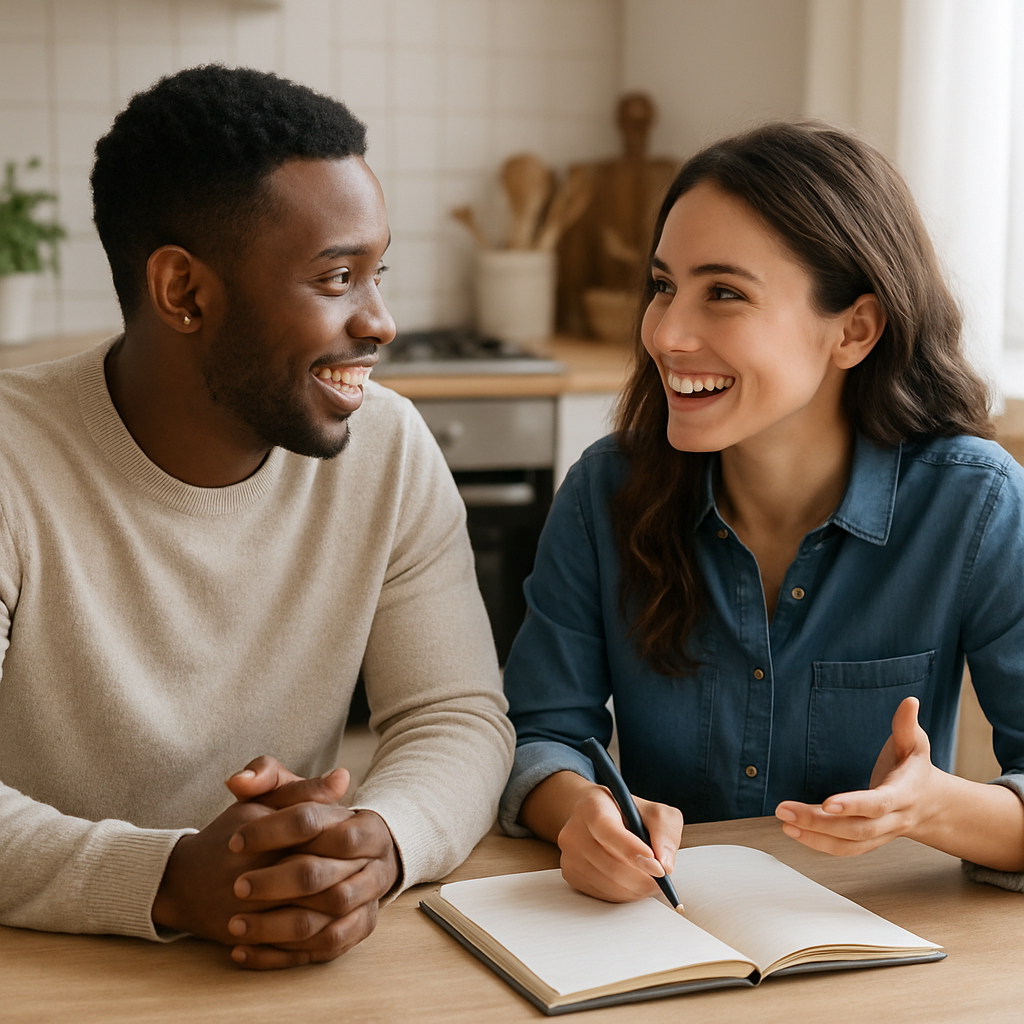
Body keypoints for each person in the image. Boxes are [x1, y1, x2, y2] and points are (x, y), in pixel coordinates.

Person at [0, 65, 514, 970]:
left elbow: (457, 716)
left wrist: (374, 845)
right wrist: (164, 877)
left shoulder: (388, 448)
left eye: (379, 271)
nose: (383, 321)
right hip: (44, 965)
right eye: (337, 277)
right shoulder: (12, 458)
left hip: (284, 975)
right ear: (185, 293)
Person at [499, 120, 1024, 904]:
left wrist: (934, 807)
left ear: (854, 329)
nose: (666, 333)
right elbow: (540, 736)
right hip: (658, 939)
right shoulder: (604, 493)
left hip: (879, 954)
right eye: (664, 285)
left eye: (724, 294)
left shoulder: (975, 502)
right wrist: (583, 812)